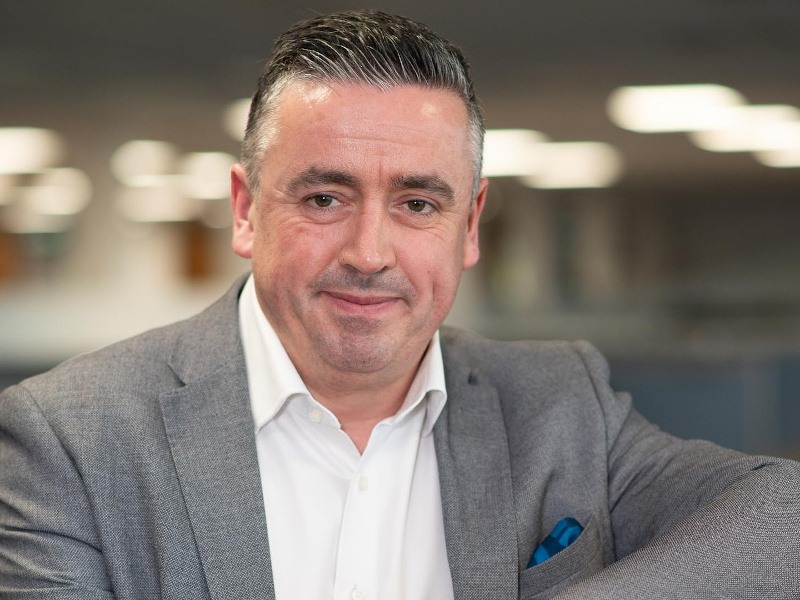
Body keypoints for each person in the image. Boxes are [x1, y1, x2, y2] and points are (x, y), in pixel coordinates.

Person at [1, 10, 798, 600]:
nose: (370, 252)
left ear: (469, 226)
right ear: (245, 210)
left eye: (418, 204)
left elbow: (782, 515)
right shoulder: (68, 438)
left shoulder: (560, 405)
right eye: (323, 197)